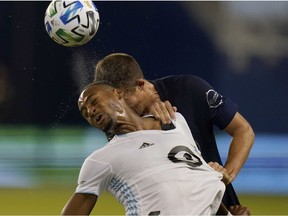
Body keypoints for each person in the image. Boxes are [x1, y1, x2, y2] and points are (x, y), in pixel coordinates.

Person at [94, 53, 255, 210]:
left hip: (219, 205)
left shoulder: (189, 89)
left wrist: (226, 173)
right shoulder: (117, 125)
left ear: (141, 85)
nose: (119, 110)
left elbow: (243, 130)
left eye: (123, 100)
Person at [62, 81, 233, 215]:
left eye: (94, 102)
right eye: (85, 112)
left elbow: (196, 184)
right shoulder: (100, 160)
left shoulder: (175, 121)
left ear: (118, 93)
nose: (90, 111)